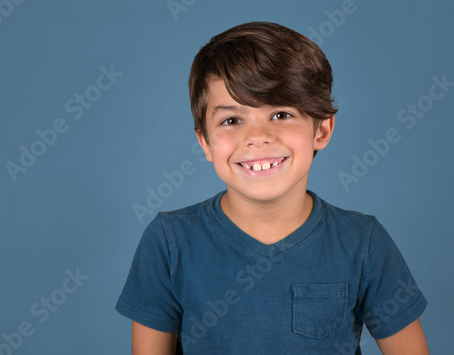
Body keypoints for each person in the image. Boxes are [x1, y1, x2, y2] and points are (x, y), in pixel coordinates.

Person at [115, 22, 428, 354]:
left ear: (321, 130)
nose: (257, 137)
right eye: (231, 120)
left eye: (280, 114)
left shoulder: (363, 243)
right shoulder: (169, 243)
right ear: (205, 142)